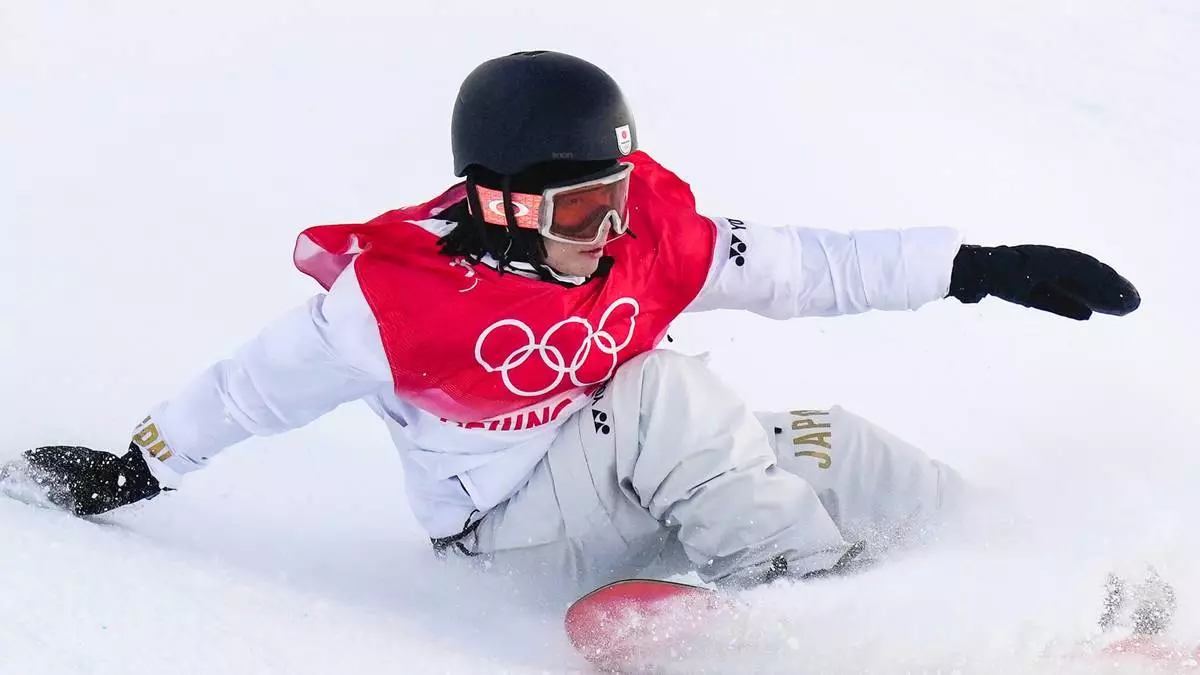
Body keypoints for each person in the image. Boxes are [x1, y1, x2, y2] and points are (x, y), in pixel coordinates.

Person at [8, 51, 1139, 594]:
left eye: (617, 193)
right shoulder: (396, 301)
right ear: (500, 202)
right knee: (661, 391)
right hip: (505, 540)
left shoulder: (640, 230)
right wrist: (136, 466)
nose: (611, 228)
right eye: (584, 208)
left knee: (827, 443)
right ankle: (809, 617)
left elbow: (801, 266)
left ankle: (1017, 578)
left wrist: (972, 264)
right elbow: (248, 389)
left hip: (626, 485)